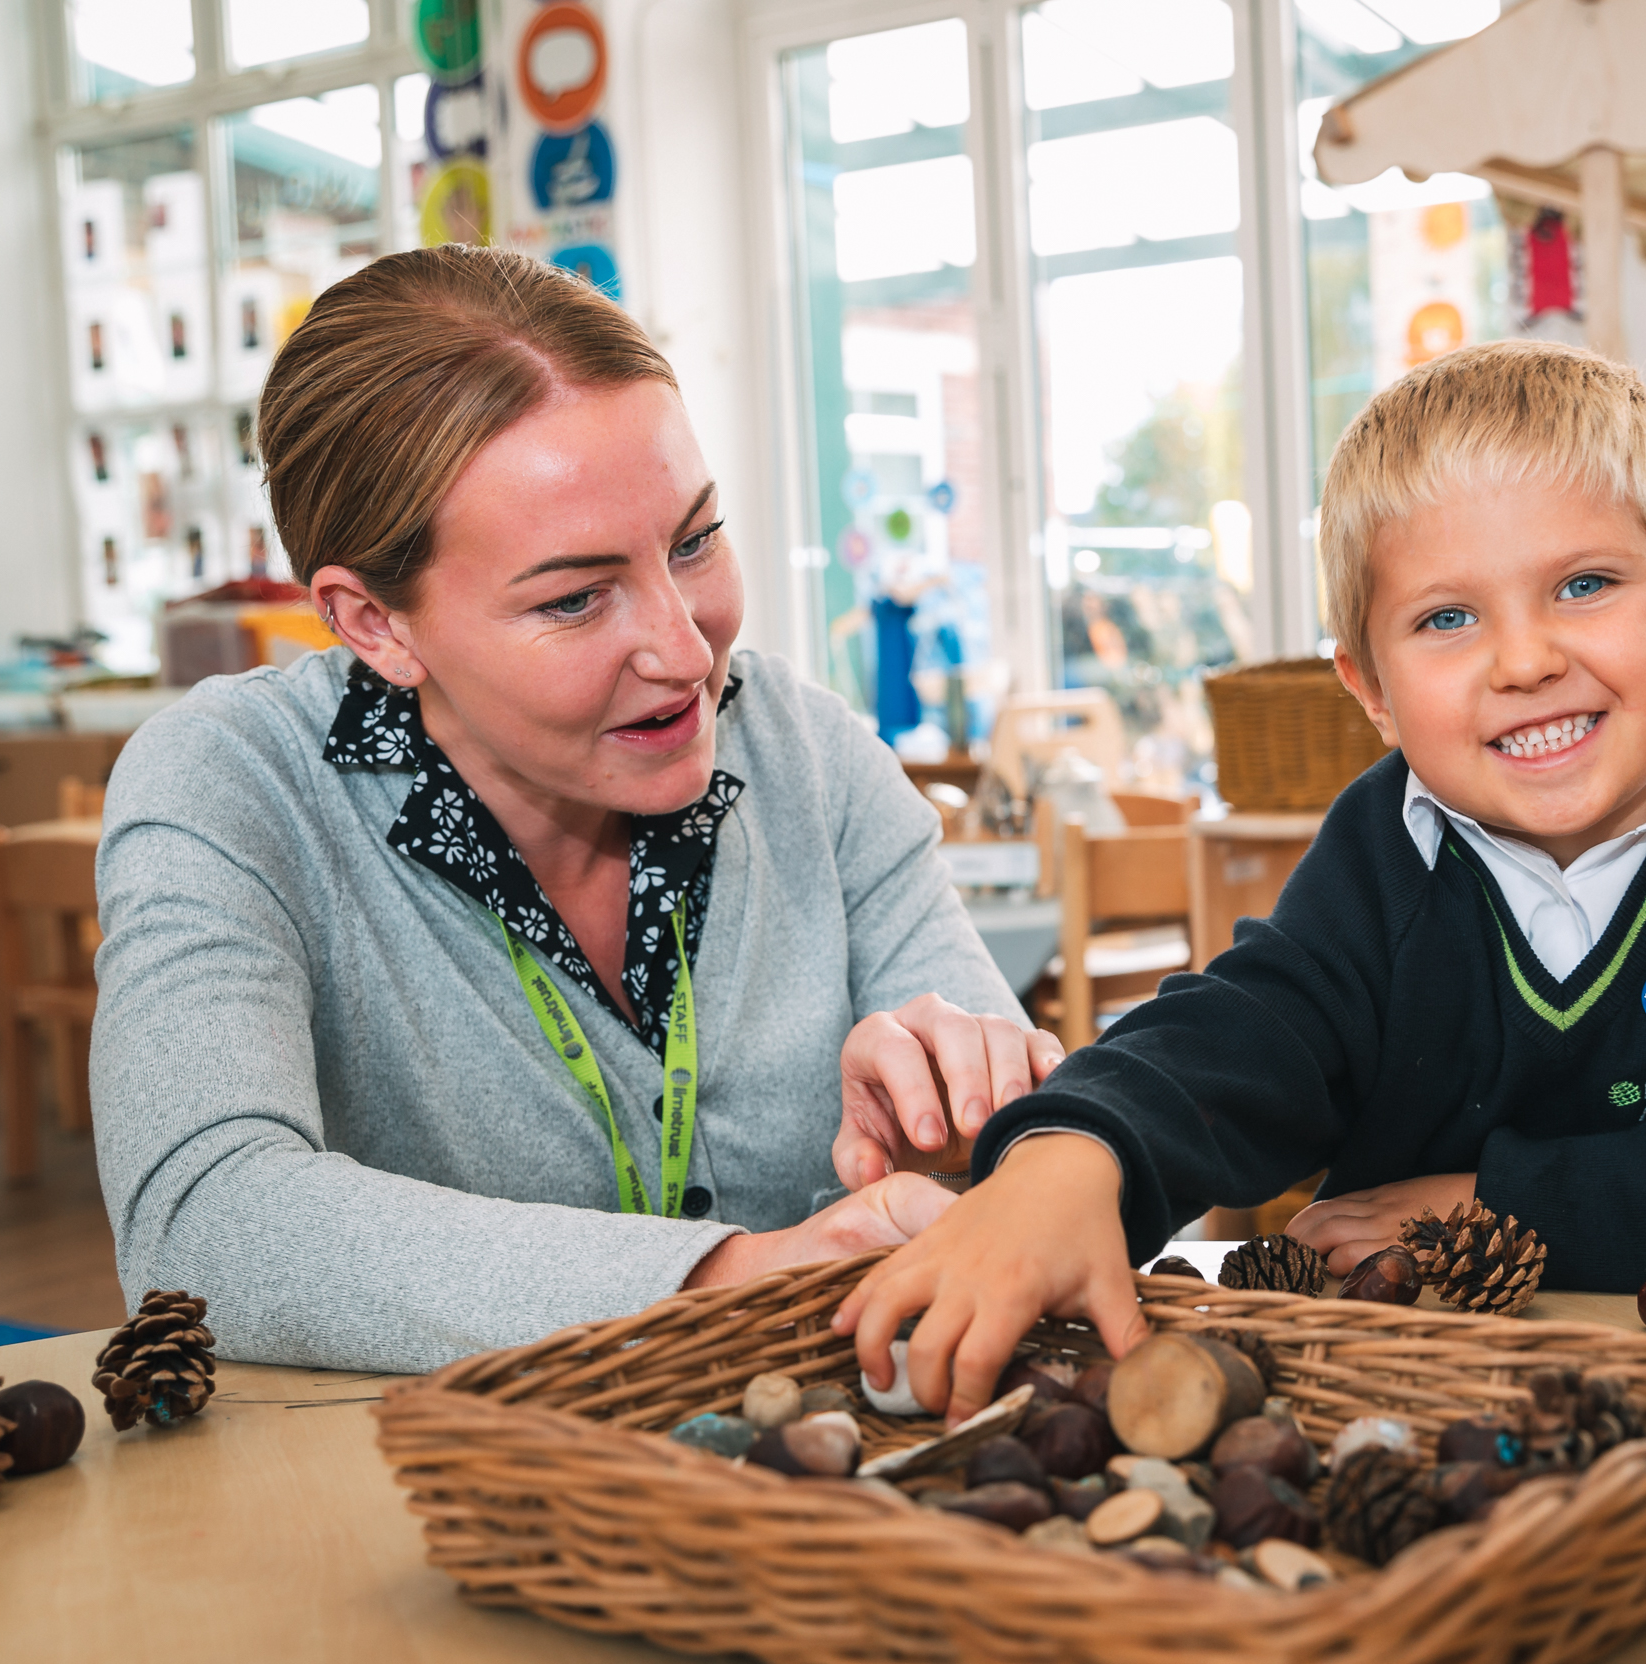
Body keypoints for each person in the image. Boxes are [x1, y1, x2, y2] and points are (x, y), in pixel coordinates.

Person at [840, 340, 1646, 1416]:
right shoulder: (1381, 848)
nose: (1525, 660)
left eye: (1584, 585)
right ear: (1370, 689)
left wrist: (1495, 1207)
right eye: (1447, 619)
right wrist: (1074, 1152)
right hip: (1414, 1417)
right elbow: (1245, 1032)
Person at [92, 247, 1055, 1375]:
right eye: (575, 597)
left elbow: (1030, 1166)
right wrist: (730, 1280)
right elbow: (205, 1220)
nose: (687, 650)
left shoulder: (810, 752)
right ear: (373, 625)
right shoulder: (234, 782)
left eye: (694, 540)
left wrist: (984, 1118)